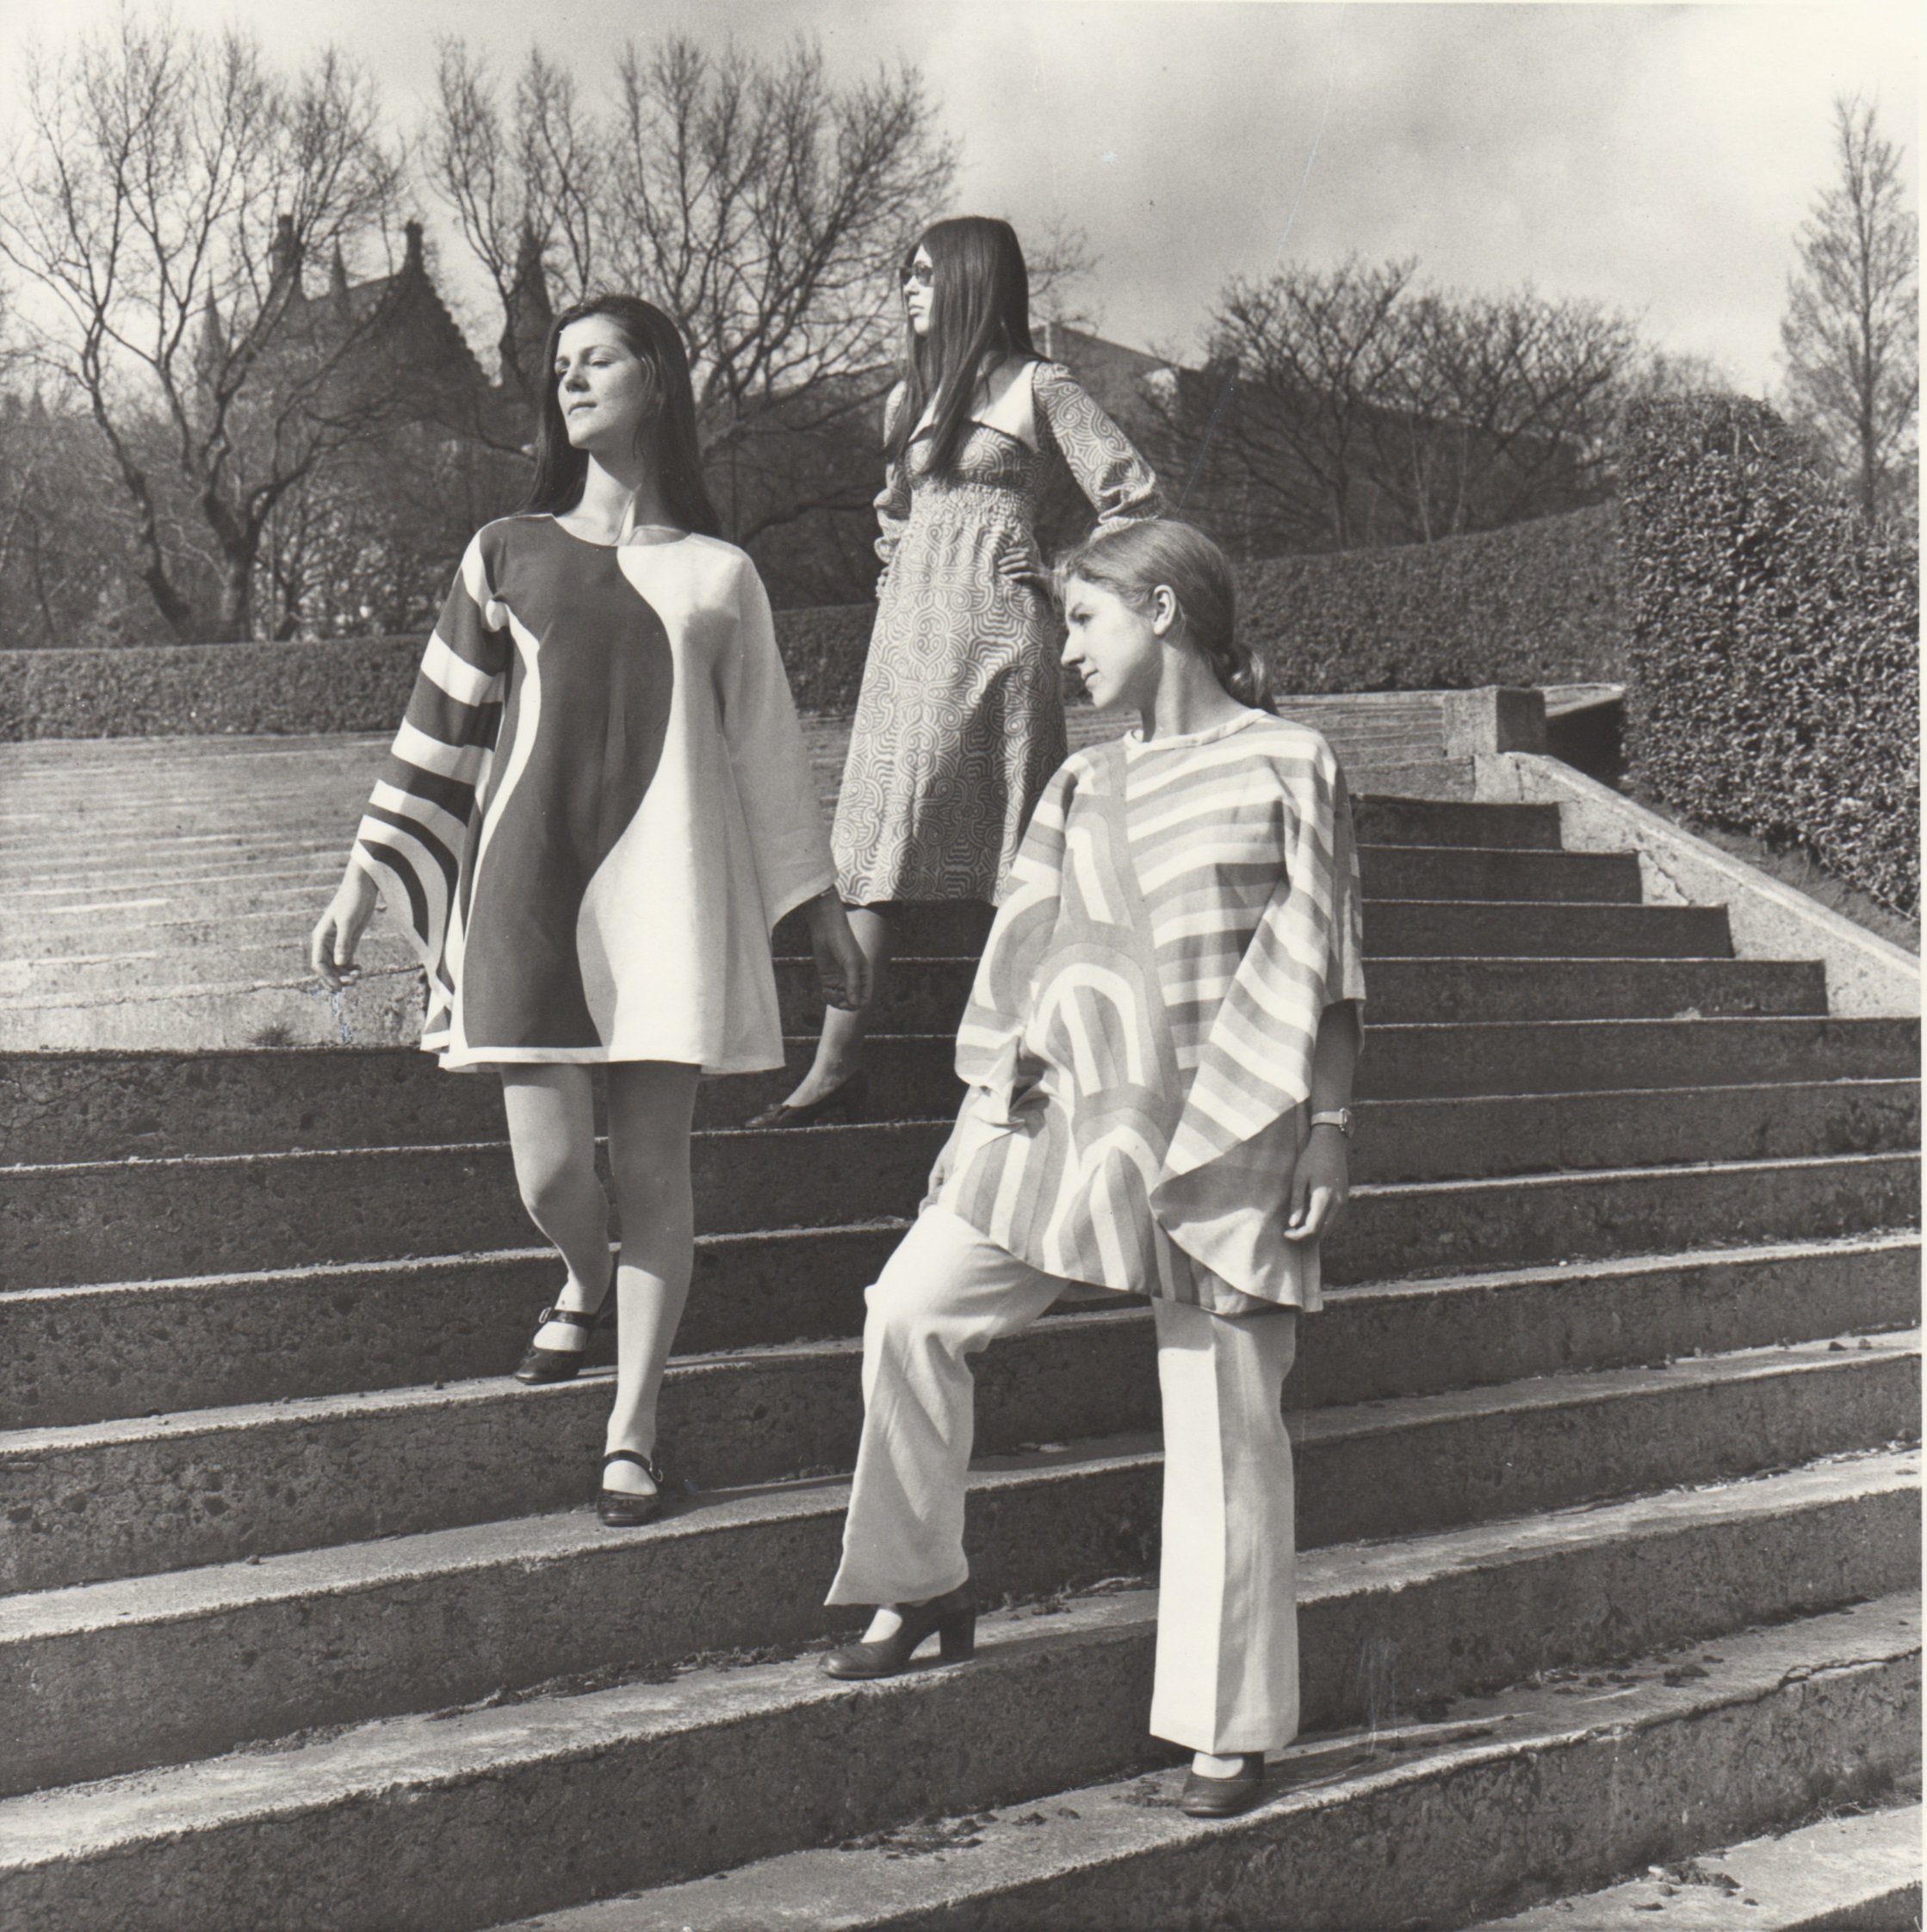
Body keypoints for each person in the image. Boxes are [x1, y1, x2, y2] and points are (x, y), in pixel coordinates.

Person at [820, 518, 1365, 1819]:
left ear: (1163, 609)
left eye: (1081, 621)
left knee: (1228, 1422)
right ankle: (919, 1578)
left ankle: (1224, 1731)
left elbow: (1326, 971)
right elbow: (1019, 958)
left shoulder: (1291, 761)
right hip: (1065, 1120)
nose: (1062, 653)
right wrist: (970, 1122)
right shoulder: (1076, 788)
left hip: (1230, 1129)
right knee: (907, 1309)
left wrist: (1329, 1130)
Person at [309, 294, 868, 1527]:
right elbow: (439, 725)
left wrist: (814, 905)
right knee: (554, 1171)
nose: (569, 379)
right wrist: (367, 870)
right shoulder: (503, 547)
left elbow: (768, 753)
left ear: (658, 377)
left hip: (668, 894)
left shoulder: (723, 573)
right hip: (527, 892)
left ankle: (632, 1434)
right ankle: (581, 1278)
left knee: (656, 1170)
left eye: (596, 358)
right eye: (558, 365)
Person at [750, 214, 1165, 1127]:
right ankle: (833, 1065)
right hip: (908, 645)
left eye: (926, 273)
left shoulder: (1040, 386)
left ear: (975, 281)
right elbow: (893, 515)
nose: (908, 289)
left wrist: (1060, 577)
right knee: (877, 837)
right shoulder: (909, 401)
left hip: (999, 642)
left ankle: (1011, 1063)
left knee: (1006, 851)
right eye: (906, 274)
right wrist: (905, 572)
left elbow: (1133, 497)